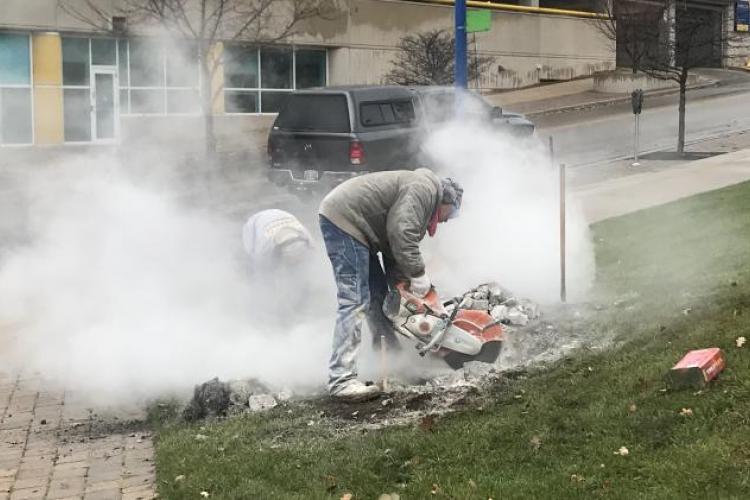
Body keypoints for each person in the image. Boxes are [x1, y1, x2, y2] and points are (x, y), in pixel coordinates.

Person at [318, 169, 463, 401]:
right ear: (446, 201)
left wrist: (404, 287)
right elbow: (401, 234)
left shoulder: (422, 198)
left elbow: (394, 252)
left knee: (377, 298)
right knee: (355, 301)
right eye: (451, 214)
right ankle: (341, 380)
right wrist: (418, 274)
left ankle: (392, 361)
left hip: (358, 228)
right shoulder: (424, 190)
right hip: (345, 221)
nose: (446, 220)